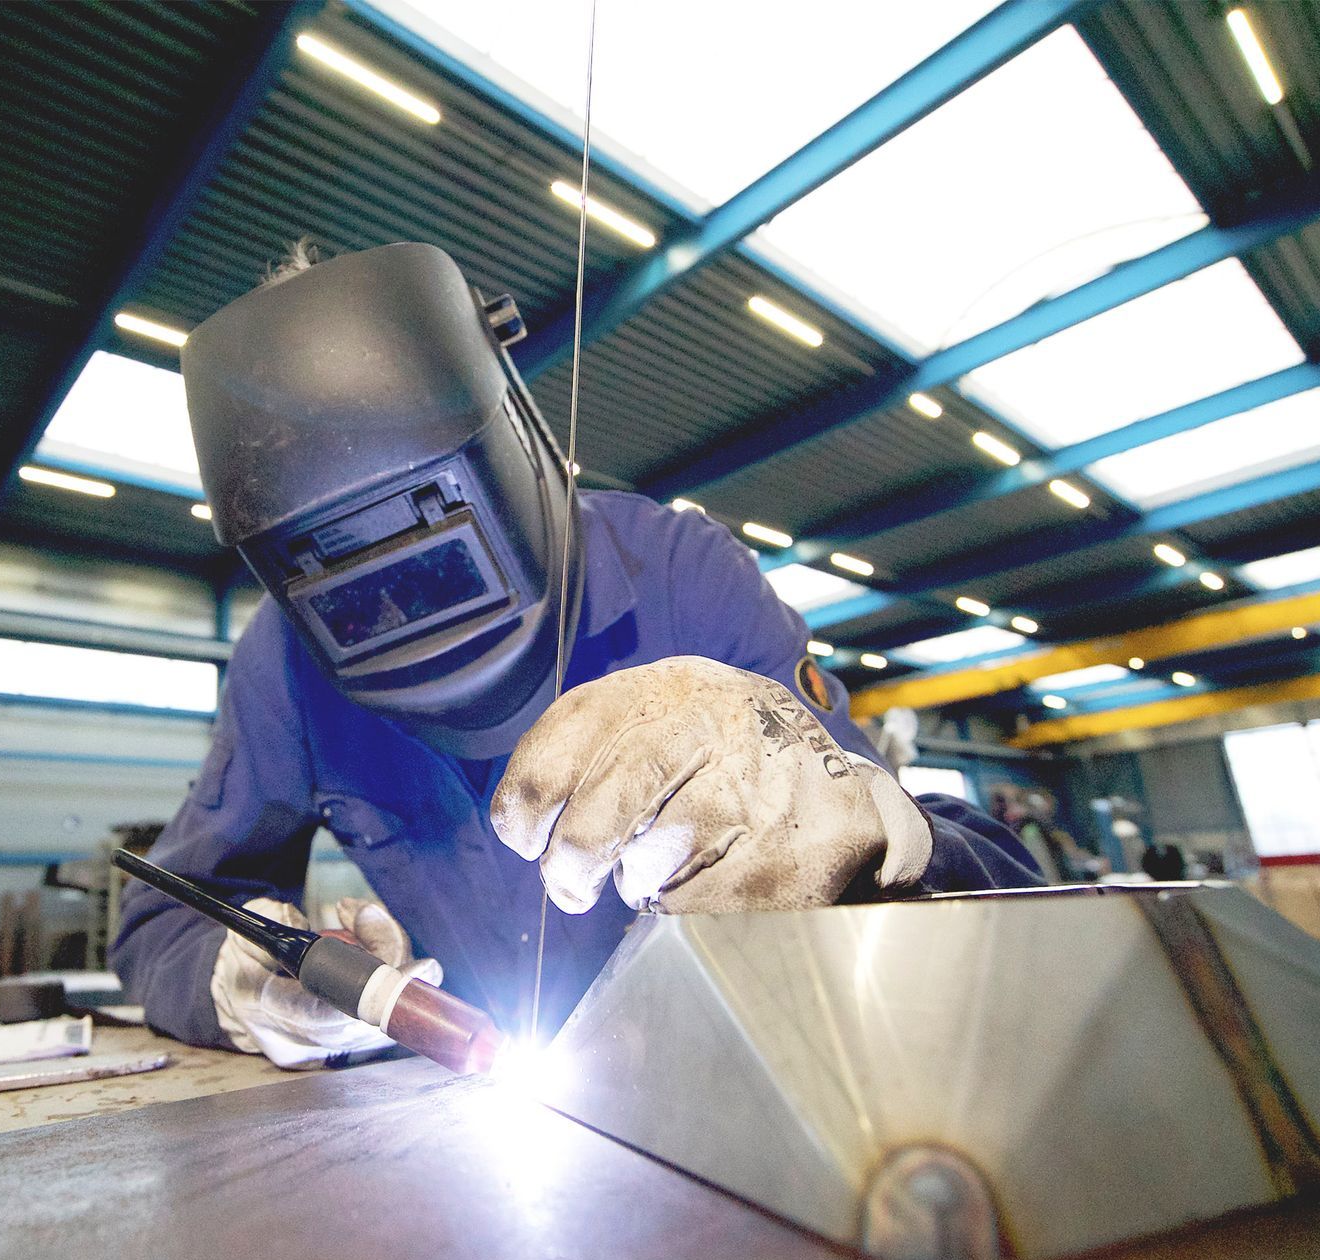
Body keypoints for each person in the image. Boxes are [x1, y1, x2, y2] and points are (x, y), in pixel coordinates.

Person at [111, 243, 1041, 1068]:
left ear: (509, 448)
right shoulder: (285, 666)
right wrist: (245, 979)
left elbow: (976, 871)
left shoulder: (684, 576)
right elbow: (166, 914)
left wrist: (854, 834)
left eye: (436, 561)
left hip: (742, 1080)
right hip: (489, 1090)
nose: (407, 609)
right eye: (357, 593)